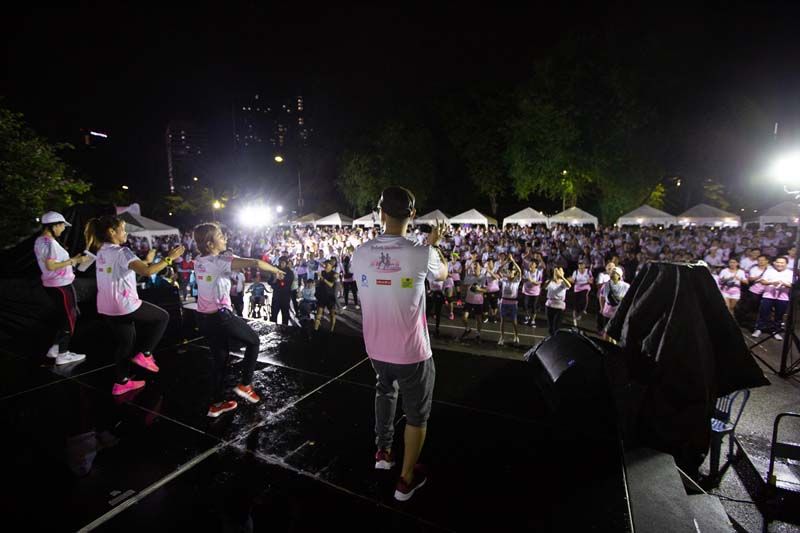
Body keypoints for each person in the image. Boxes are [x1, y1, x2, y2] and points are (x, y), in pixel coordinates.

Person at [352, 186, 448, 502]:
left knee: (384, 390)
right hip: (412, 353)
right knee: (417, 415)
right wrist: (434, 245)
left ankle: (383, 451)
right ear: (413, 215)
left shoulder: (360, 252)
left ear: (381, 213)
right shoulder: (422, 253)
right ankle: (405, 481)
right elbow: (442, 275)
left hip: (375, 349)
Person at [193, 223, 285, 418]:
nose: (225, 237)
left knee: (220, 361)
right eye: (220, 235)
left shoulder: (199, 260)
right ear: (210, 244)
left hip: (203, 318)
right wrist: (276, 270)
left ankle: (216, 405)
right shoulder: (219, 261)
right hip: (220, 317)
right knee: (254, 341)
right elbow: (255, 262)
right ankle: (245, 385)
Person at [84, 215, 184, 395]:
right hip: (124, 304)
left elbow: (129, 268)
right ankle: (146, 354)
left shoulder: (102, 251)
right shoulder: (123, 252)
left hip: (106, 306)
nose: (125, 233)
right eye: (122, 229)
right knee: (162, 317)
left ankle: (121, 382)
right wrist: (169, 258)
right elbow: (148, 272)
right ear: (112, 231)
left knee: (125, 343)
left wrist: (146, 260)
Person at [34, 211, 91, 365]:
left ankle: (55, 348)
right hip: (60, 285)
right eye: (62, 225)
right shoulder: (50, 243)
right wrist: (74, 261)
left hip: (54, 284)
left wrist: (73, 260)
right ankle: (63, 354)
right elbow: (51, 265)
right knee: (70, 317)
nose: (63, 228)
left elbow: (52, 263)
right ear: (54, 226)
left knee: (68, 315)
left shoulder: (41, 240)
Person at [752, 256, 793, 340]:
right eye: (778, 262)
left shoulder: (791, 273)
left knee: (779, 315)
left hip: (783, 297)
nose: (779, 264)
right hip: (768, 295)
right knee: (764, 313)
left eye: (782, 263)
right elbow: (762, 281)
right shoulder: (769, 271)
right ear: (774, 263)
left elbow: (793, 285)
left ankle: (776, 331)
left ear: (786, 264)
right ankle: (759, 329)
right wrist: (772, 282)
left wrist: (783, 284)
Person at [497, 255, 522, 346]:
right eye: (509, 271)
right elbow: (498, 271)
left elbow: (520, 271)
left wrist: (513, 261)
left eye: (512, 271)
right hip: (504, 302)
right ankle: (502, 337)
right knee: (502, 321)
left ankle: (516, 336)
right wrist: (507, 262)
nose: (510, 272)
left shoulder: (517, 281)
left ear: (514, 273)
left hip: (513, 303)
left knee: (514, 322)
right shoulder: (504, 280)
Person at [460, 261, 487, 342]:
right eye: (474, 265)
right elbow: (464, 286)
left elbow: (486, 290)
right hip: (469, 300)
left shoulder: (483, 277)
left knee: (478, 319)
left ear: (480, 267)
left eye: (476, 265)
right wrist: (465, 288)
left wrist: (479, 289)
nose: (474, 266)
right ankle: (467, 329)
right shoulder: (469, 276)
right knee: (464, 317)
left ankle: (478, 334)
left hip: (478, 301)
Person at [544, 267, 572, 336]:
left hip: (559, 307)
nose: (558, 272)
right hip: (550, 305)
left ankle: (555, 337)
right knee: (550, 326)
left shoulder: (563, 282)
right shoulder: (550, 281)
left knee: (556, 326)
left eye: (560, 271)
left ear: (563, 273)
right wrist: (551, 278)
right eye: (557, 271)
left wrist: (562, 277)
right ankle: (551, 338)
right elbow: (544, 286)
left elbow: (569, 285)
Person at [269, 256, 295, 326]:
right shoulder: (275, 270)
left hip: (285, 296)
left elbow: (290, 280)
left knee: (285, 314)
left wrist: (282, 278)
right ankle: (273, 327)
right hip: (276, 295)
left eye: (283, 263)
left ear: (286, 263)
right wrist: (275, 279)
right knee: (274, 314)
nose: (281, 264)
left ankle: (285, 328)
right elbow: (270, 281)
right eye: (280, 262)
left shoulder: (289, 272)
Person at [314, 260, 338, 332]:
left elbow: (331, 284)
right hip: (322, 295)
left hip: (330, 296)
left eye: (327, 265)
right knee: (318, 314)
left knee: (332, 314)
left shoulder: (334, 274)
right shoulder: (322, 272)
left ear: (331, 266)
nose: (325, 266)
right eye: (325, 265)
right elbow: (320, 282)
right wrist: (316, 282)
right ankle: (315, 330)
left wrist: (323, 278)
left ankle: (331, 330)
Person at [569, 260, 593, 327]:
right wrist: (570, 280)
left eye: (582, 264)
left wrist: (590, 281)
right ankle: (574, 318)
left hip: (585, 288)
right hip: (577, 288)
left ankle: (582, 311)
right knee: (576, 303)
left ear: (584, 265)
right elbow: (573, 280)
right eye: (579, 264)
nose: (581, 265)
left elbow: (591, 280)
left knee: (583, 299)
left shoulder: (588, 271)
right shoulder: (575, 272)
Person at [521, 259, 543, 327]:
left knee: (534, 306)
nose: (531, 265)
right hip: (526, 291)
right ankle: (527, 317)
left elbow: (539, 282)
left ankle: (533, 320)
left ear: (536, 265)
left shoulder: (539, 272)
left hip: (535, 292)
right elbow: (523, 280)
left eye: (532, 264)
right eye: (530, 263)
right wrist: (526, 279)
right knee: (525, 305)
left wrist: (532, 281)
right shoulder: (526, 271)